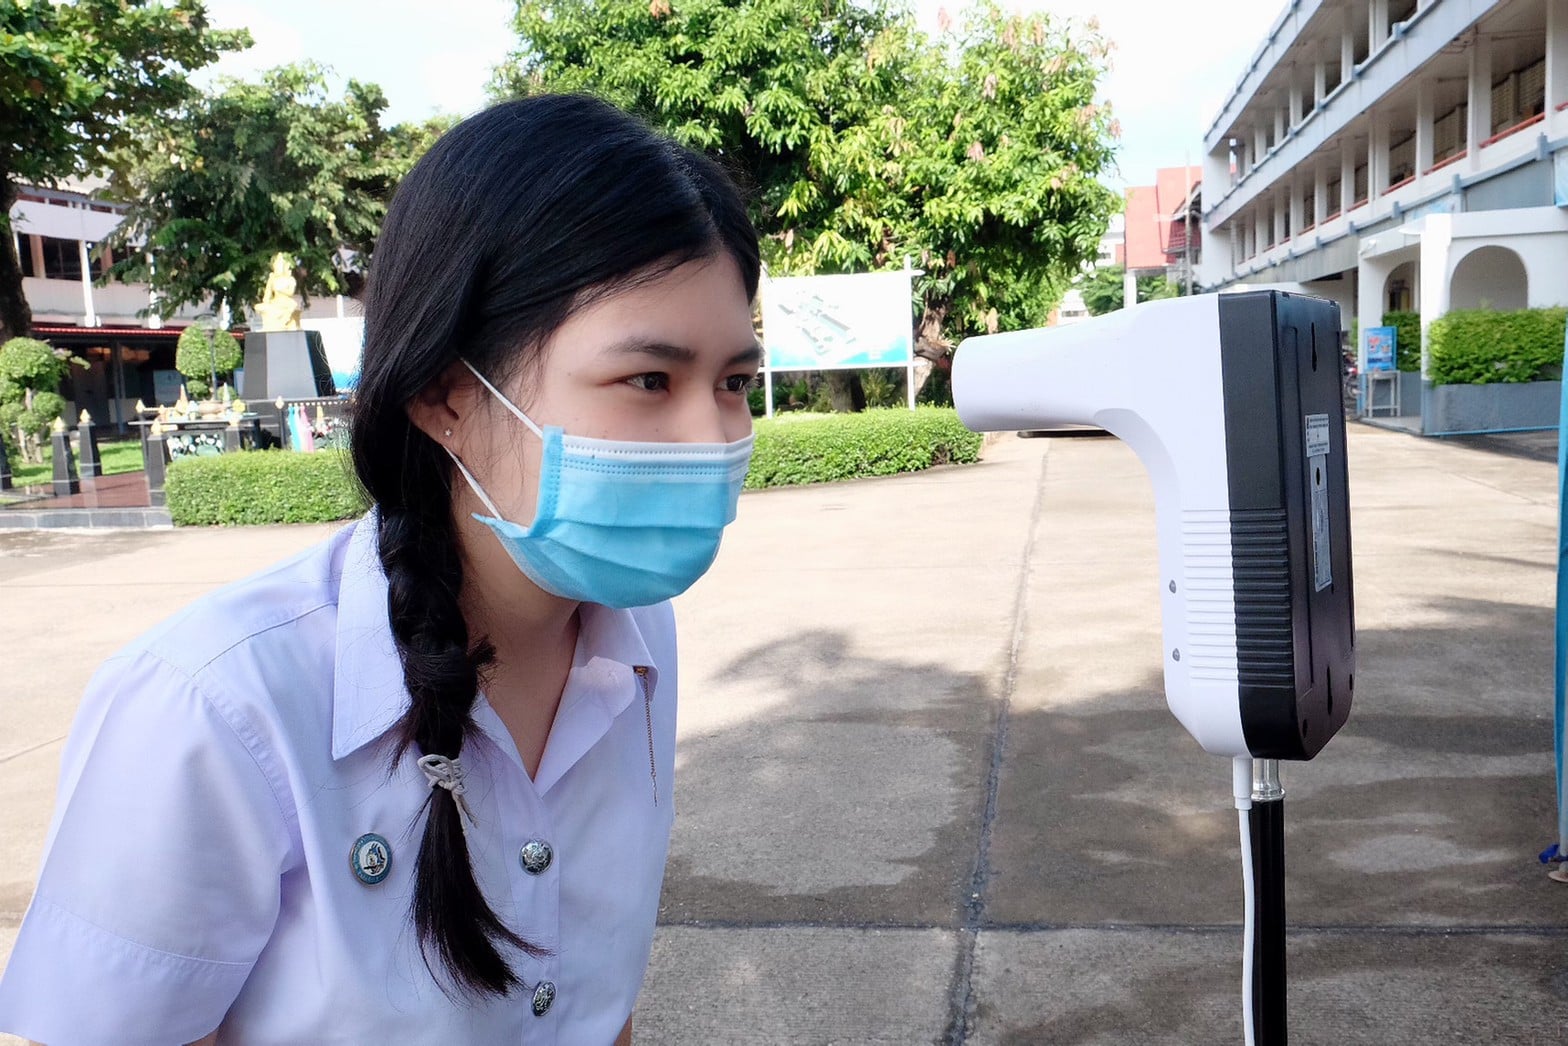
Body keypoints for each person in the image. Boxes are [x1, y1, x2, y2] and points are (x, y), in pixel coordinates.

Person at [0, 94, 762, 1045]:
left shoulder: (635, 639)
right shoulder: (215, 710)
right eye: (649, 380)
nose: (715, 437)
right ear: (445, 393)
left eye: (735, 382)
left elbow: (595, 1002)